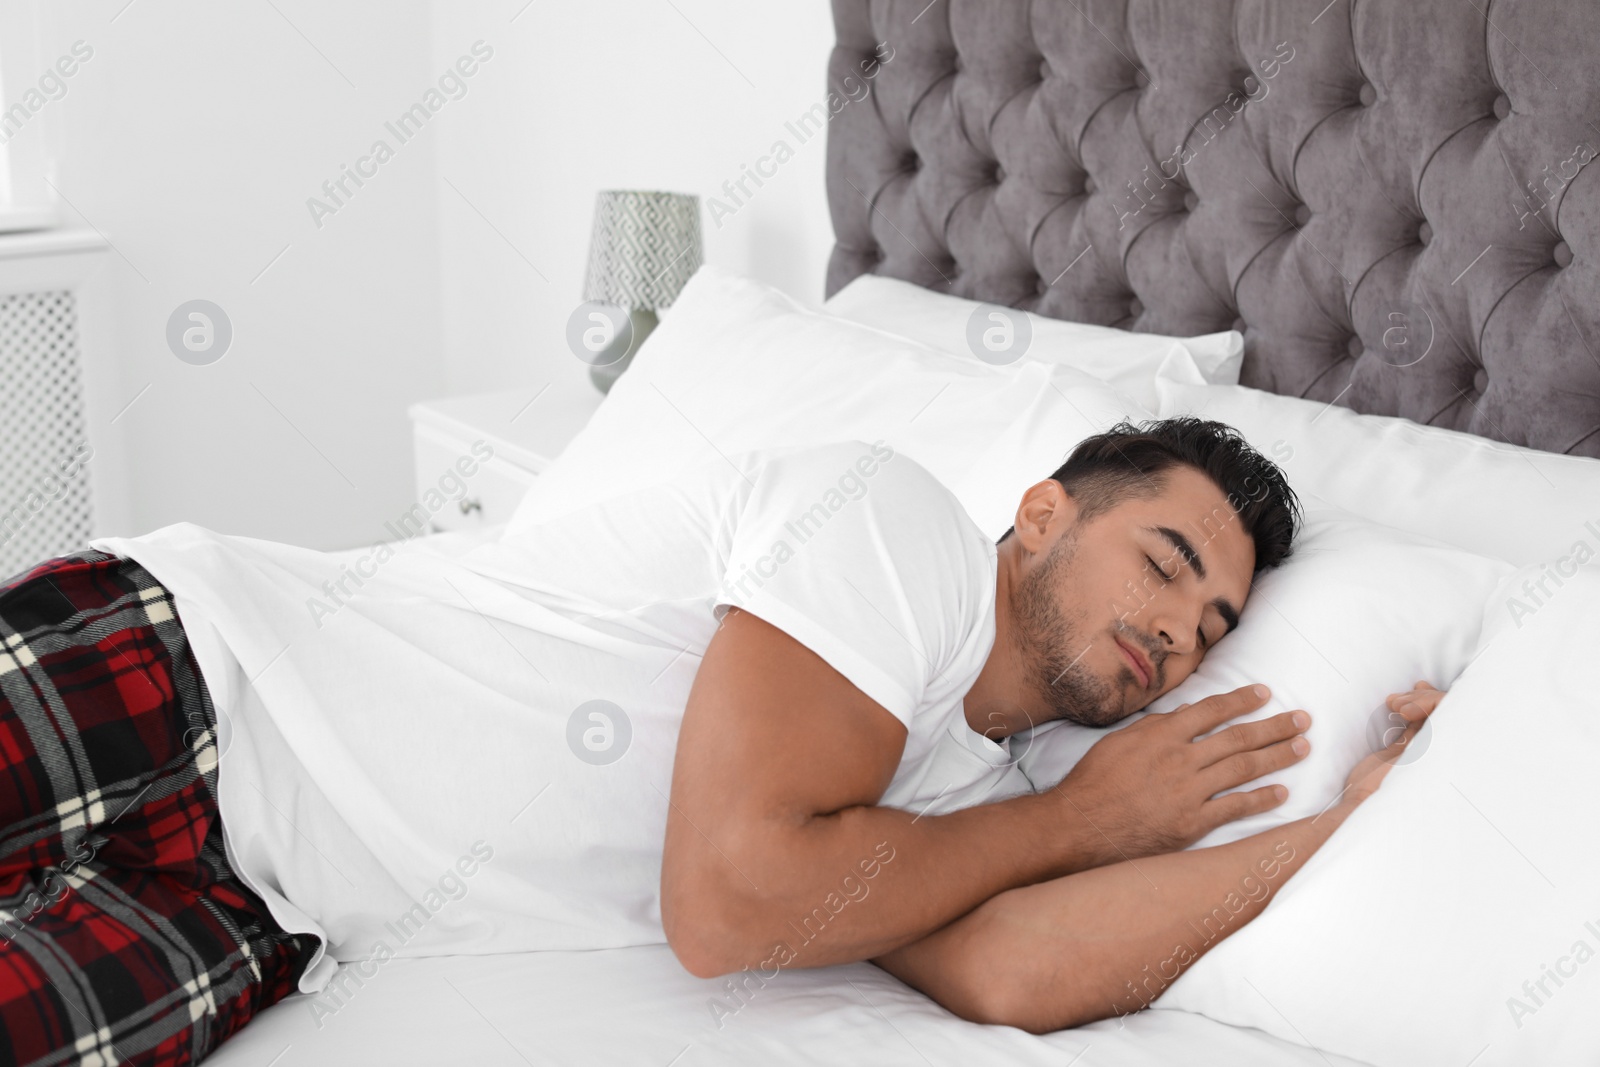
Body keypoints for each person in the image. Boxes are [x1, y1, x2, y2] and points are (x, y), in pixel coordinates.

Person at [0, 417, 1439, 1064]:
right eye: (1168, 562)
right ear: (1048, 515)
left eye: (1213, 629)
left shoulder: (959, 795)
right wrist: (1076, 824)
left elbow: (1006, 973)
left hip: (268, 917)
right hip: (201, 672)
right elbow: (731, 903)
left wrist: (1353, 819)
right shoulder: (891, 529)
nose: (1179, 635)